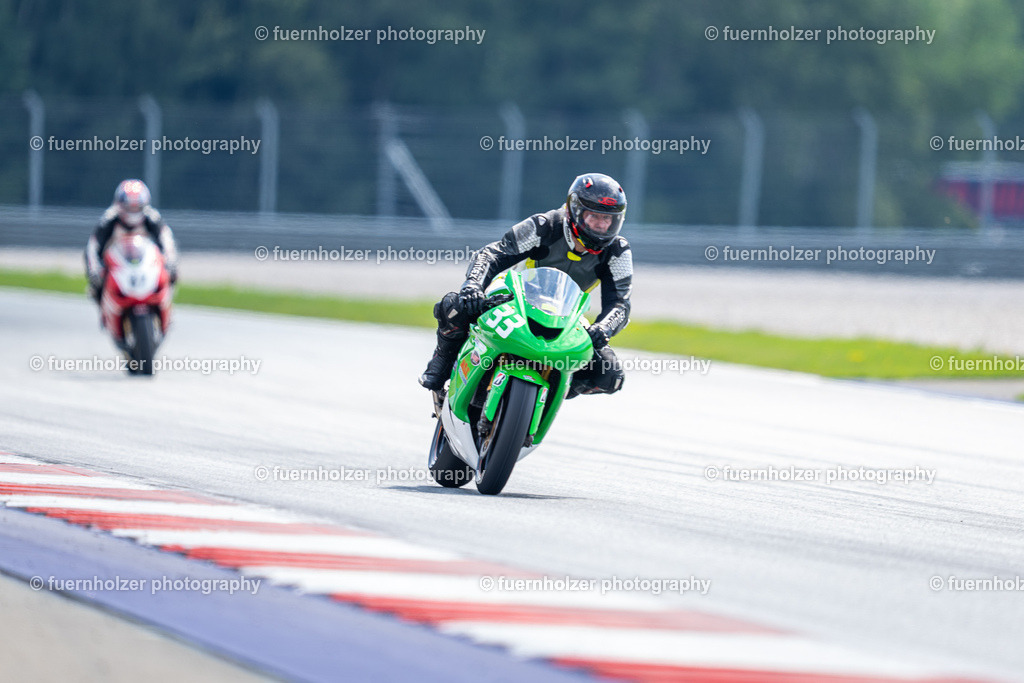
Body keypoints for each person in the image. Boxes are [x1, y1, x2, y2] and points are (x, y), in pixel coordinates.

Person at [419, 172, 632, 399]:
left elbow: (620, 303)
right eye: (594, 217)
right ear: (576, 211)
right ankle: (443, 359)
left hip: (567, 315)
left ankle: (554, 388)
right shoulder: (545, 225)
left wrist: (603, 328)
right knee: (455, 305)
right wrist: (473, 285)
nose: (601, 226)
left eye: (608, 219)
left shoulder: (617, 251)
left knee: (610, 374)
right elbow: (493, 254)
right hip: (514, 298)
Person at [84, 179, 178, 304]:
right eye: (129, 207)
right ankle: (106, 311)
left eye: (137, 207)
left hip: (146, 265)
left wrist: (170, 261)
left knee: (170, 275)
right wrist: (94, 270)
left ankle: (165, 306)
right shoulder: (109, 219)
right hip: (116, 266)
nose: (133, 212)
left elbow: (166, 240)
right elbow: (93, 246)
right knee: (96, 287)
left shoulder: (152, 218)